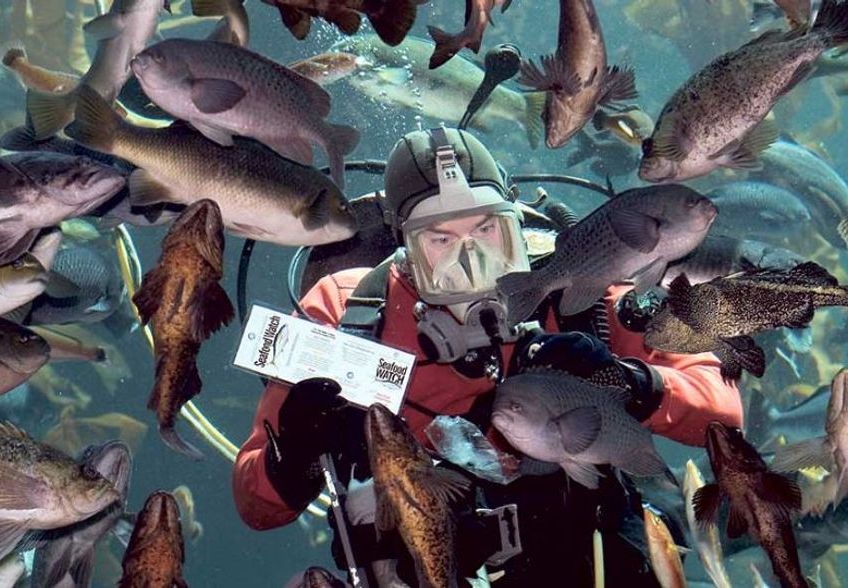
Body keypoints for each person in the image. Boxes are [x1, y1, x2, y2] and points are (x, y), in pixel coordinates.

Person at [234, 127, 742, 586]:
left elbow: (723, 414)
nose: (471, 258)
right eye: (440, 240)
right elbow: (255, 506)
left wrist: (634, 383)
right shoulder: (347, 312)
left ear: (514, 219)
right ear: (404, 245)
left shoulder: (573, 285)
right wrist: (295, 453)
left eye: (486, 230)